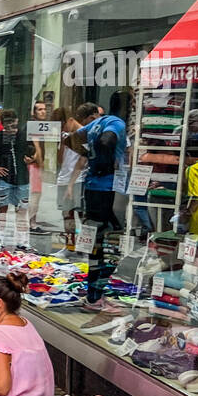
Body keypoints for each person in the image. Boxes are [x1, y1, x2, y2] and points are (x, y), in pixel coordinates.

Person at [76, 99, 129, 311]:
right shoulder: (116, 123)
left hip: (92, 187)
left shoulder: (96, 123)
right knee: (111, 241)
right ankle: (95, 297)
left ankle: (93, 295)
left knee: (96, 243)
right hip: (107, 190)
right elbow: (107, 141)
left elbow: (72, 138)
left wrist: (90, 157)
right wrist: (105, 165)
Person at [0, 108, 34, 250]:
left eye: (13, 123)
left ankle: (22, 241)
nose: (11, 127)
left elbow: (34, 153)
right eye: (8, 124)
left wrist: (30, 159)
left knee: (21, 209)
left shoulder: (23, 135)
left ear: (16, 121)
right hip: (5, 177)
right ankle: (0, 239)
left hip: (21, 177)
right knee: (3, 208)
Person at [55, 108, 87, 251]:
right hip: (64, 178)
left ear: (70, 120)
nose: (62, 128)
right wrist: (62, 142)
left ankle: (85, 247)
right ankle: (70, 246)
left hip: (78, 180)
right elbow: (60, 160)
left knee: (82, 214)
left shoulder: (83, 134)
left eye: (63, 125)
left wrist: (71, 184)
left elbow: (83, 160)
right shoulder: (65, 136)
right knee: (67, 214)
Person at [27, 100, 49, 234]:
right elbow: (37, 148)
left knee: (36, 194)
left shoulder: (40, 125)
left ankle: (31, 221)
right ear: (34, 112)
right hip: (34, 166)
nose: (43, 111)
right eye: (40, 109)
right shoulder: (34, 126)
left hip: (36, 165)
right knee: (35, 194)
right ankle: (31, 223)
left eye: (44, 109)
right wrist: (41, 165)